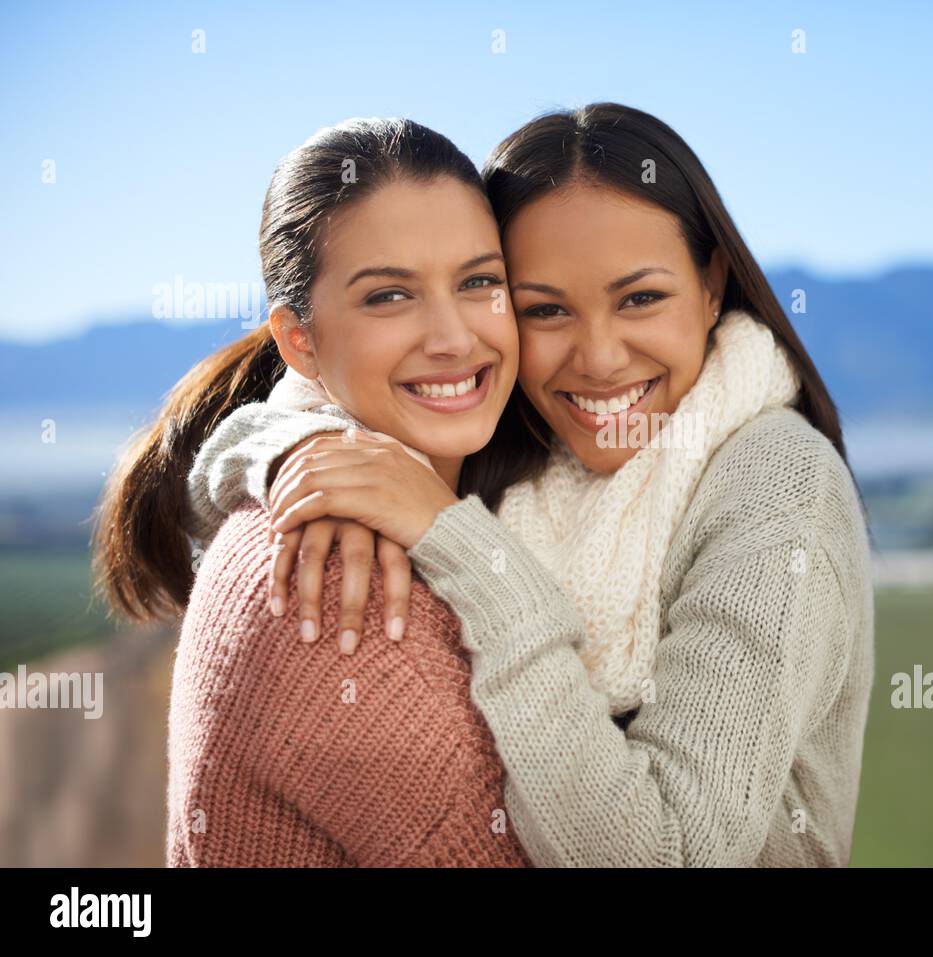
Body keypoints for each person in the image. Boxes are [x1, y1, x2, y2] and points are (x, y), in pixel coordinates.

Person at [187, 104, 875, 867]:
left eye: (640, 297)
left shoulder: (777, 483)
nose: (601, 357)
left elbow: (670, 855)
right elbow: (287, 406)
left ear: (712, 284)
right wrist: (302, 447)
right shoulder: (519, 438)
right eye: (544, 308)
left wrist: (457, 541)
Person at [95, 118, 530, 866]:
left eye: (479, 281)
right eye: (390, 296)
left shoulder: (454, 497)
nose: (454, 336)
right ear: (299, 341)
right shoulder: (330, 584)